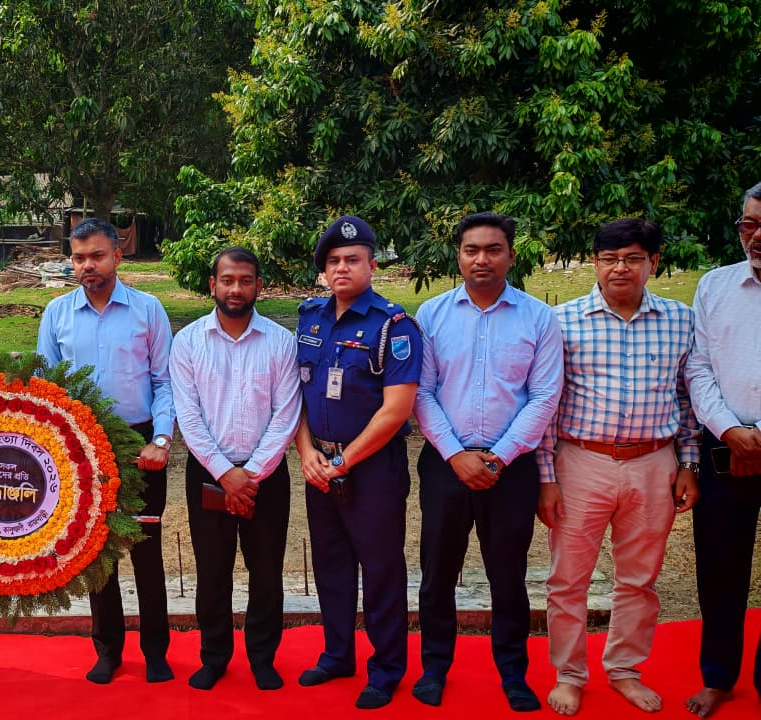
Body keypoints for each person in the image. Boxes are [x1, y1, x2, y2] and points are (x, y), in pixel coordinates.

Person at [535, 218, 699, 716]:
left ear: (653, 262)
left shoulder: (680, 320)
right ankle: (569, 674)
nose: (620, 268)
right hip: (580, 460)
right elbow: (546, 403)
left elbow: (687, 397)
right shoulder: (562, 321)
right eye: (609, 258)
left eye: (632, 258)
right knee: (568, 579)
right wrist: (546, 477)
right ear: (594, 263)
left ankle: (625, 669)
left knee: (639, 579)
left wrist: (689, 463)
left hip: (653, 462)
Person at [413, 212, 563, 712]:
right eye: (471, 249)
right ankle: (434, 667)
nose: (482, 259)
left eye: (493, 249)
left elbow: (544, 396)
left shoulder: (538, 318)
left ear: (511, 256)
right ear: (458, 256)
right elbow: (422, 392)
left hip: (511, 467)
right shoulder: (431, 315)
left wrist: (498, 457)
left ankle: (514, 673)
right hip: (445, 462)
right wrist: (457, 455)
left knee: (508, 573)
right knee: (438, 570)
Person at [36, 217, 175, 685]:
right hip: (81, 445)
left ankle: (156, 651)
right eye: (78, 258)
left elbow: (164, 381)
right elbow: (46, 385)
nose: (87, 266)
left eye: (96, 256)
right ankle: (108, 650)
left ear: (117, 255)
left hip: (139, 444)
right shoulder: (57, 313)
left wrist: (161, 439)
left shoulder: (148, 309)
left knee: (145, 549)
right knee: (95, 552)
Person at [294, 216, 421, 709]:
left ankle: (386, 669)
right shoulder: (310, 318)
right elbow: (296, 396)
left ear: (372, 265)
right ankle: (337, 655)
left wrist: (345, 460)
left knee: (381, 568)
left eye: (352, 259)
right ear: (323, 270)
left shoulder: (393, 326)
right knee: (331, 564)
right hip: (320, 464)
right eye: (333, 261)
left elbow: (396, 410)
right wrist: (306, 452)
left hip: (372, 467)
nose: (342, 268)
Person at [169, 247, 301, 691]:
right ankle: (214, 657)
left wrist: (252, 473)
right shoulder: (188, 342)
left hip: (267, 477)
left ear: (259, 286)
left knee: (266, 570)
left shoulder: (281, 342)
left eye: (245, 281)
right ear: (213, 285)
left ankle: (263, 657)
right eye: (227, 280)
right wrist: (226, 473)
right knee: (212, 570)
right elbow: (188, 417)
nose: (236, 289)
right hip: (208, 473)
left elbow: (286, 414)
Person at [683, 182, 761, 719]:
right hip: (723, 448)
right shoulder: (715, 285)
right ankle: (718, 677)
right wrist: (730, 429)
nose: (755, 236)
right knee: (720, 569)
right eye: (748, 224)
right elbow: (698, 366)